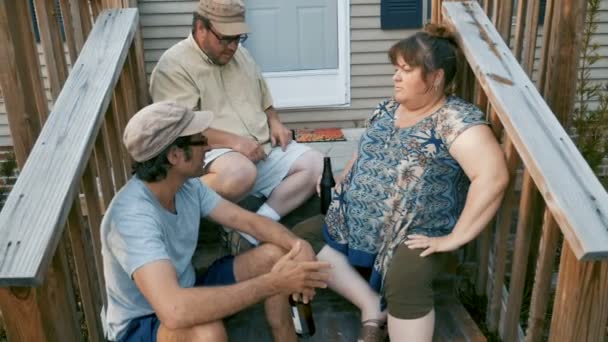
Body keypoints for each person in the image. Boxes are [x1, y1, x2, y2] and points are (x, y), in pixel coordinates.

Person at [300, 24, 508, 342]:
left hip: (414, 234)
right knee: (301, 240)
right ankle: (371, 306)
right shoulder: (387, 109)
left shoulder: (454, 120)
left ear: (436, 77)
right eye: (396, 69)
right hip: (358, 225)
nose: (395, 77)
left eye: (406, 70)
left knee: (405, 278)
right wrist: (342, 181)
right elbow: (365, 151)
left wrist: (454, 238)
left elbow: (492, 178)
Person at [100, 101, 331, 342]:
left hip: (187, 288)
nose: (209, 146)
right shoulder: (132, 217)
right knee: (207, 333)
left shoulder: (187, 187)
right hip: (144, 321)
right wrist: (274, 284)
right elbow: (175, 312)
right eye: (200, 140)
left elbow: (251, 223)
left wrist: (298, 245)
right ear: (175, 155)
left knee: (275, 254)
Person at [149, 0, 323, 249]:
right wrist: (236, 142)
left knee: (316, 164)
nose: (232, 46)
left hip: (260, 147)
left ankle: (255, 228)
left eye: (238, 38)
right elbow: (182, 129)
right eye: (225, 39)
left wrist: (275, 121)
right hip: (213, 153)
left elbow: (264, 98)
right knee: (240, 173)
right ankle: (179, 205)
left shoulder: (241, 55)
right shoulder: (173, 66)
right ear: (201, 29)